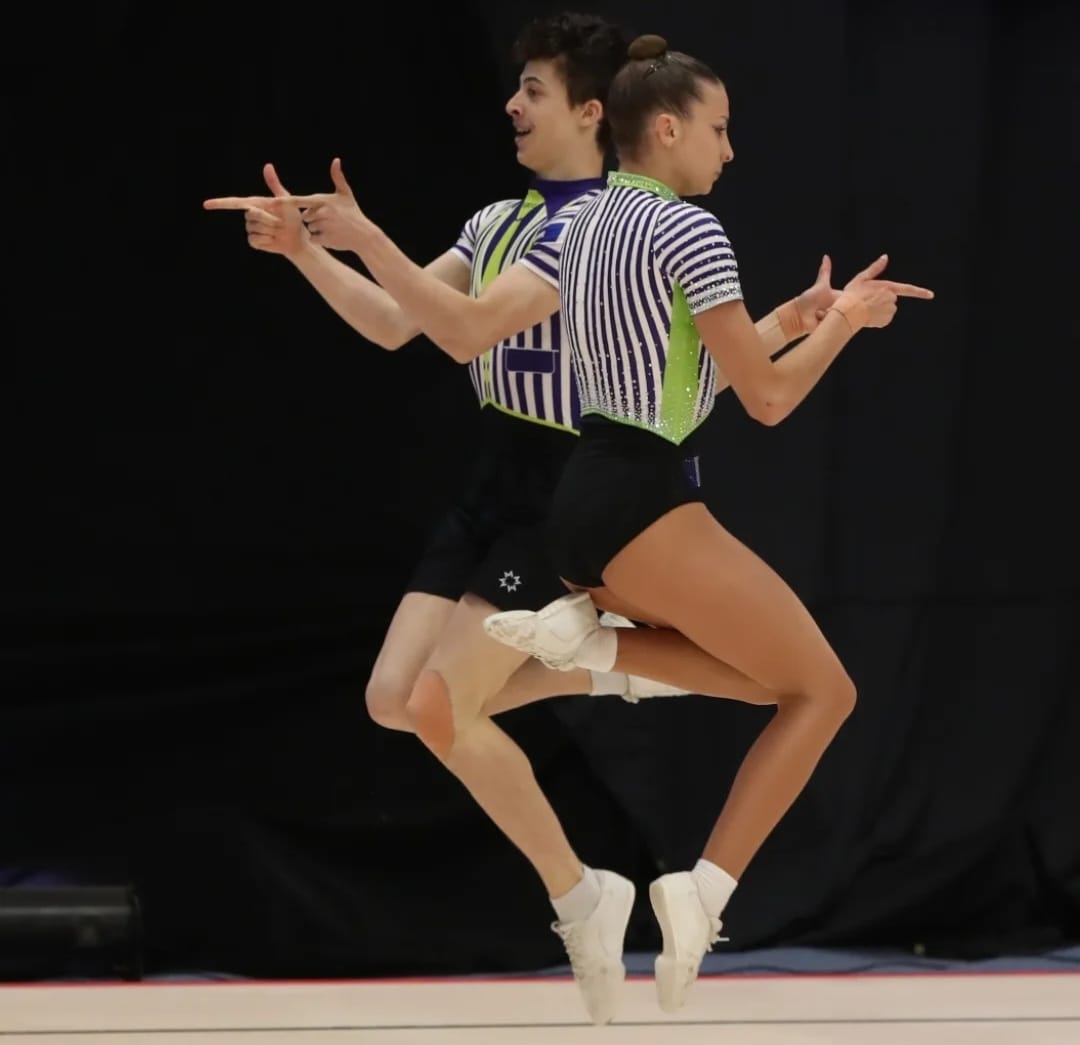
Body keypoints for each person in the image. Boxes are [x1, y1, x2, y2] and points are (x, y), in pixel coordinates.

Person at [203, 13, 683, 1024]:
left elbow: (464, 332)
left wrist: (366, 234)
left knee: (438, 705)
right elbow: (396, 324)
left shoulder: (604, 228)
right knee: (395, 699)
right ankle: (610, 684)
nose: (512, 104)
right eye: (517, 87)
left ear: (591, 113)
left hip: (568, 481)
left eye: (535, 91)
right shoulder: (498, 219)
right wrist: (304, 251)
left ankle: (577, 892)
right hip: (497, 472)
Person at [477, 31, 935, 1010]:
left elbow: (683, 383)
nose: (730, 149)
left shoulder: (584, 220)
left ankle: (597, 646)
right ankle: (703, 888)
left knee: (773, 681)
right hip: (645, 504)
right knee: (825, 694)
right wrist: (846, 325)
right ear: (669, 128)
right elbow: (765, 399)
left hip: (588, 499)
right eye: (719, 129)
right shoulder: (691, 231)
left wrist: (794, 317)